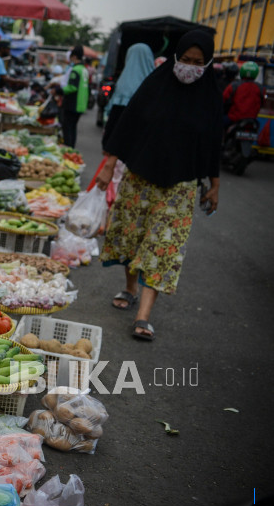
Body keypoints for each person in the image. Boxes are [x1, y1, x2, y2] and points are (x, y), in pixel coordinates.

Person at [96, 30, 222, 341]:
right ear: (176, 57)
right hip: (139, 176)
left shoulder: (209, 98)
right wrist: (109, 165)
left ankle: (143, 316)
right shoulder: (154, 85)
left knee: (162, 245)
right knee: (131, 236)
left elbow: (212, 145)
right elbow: (127, 126)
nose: (190, 67)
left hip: (179, 186)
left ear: (207, 64)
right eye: (186, 59)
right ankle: (129, 288)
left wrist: (214, 185)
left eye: (198, 62)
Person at [102, 43, 154, 150]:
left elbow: (114, 117)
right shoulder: (154, 83)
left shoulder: (124, 82)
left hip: (119, 147)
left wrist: (107, 144)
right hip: (140, 149)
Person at [60, 45, 90, 148]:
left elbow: (72, 87)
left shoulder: (76, 70)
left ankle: (68, 149)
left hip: (73, 103)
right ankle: (71, 149)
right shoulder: (84, 69)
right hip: (81, 103)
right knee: (73, 127)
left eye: (71, 56)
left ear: (75, 56)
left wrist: (60, 90)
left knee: (67, 127)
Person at [223, 61, 264, 127]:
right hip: (252, 120)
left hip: (234, 118)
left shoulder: (234, 85)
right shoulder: (261, 88)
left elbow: (224, 99)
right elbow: (262, 103)